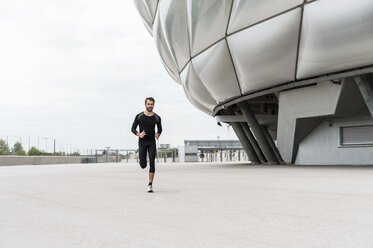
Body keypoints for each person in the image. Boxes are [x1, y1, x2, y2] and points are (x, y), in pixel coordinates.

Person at [131, 97, 162, 193]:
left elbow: (160, 129)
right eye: (148, 104)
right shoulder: (139, 116)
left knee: (152, 162)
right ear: (145, 104)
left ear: (154, 105)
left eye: (151, 104)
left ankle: (150, 184)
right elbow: (132, 128)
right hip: (142, 142)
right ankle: (142, 160)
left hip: (152, 142)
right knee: (143, 165)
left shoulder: (157, 117)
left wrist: (158, 134)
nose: (150, 106)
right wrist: (138, 134)